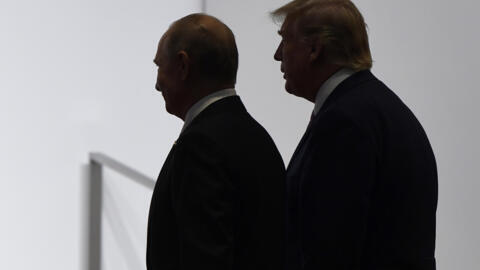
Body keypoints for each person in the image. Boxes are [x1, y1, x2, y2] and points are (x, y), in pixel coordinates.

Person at [271, 0, 438, 269]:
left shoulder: (345, 121)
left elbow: (330, 247)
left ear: (314, 49)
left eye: (285, 40)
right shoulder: (376, 108)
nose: (278, 55)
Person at [147, 13, 285, 270]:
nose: (157, 84)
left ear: (182, 66)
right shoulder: (257, 137)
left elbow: (204, 258)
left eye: (159, 66)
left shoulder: (200, 146)